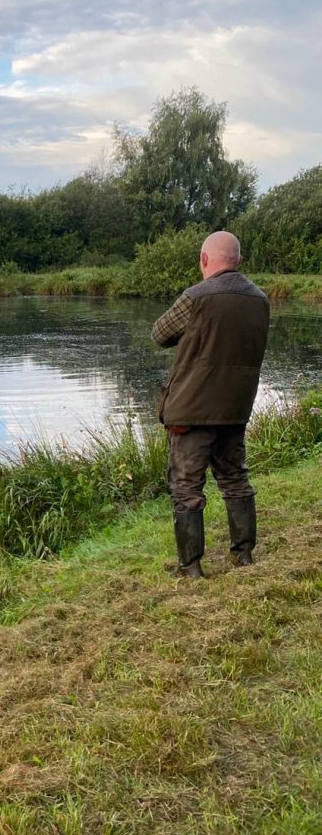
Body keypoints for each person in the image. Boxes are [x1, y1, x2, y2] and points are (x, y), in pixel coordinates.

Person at [152, 230, 270, 578]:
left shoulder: (196, 297)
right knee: (235, 478)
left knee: (186, 486)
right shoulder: (260, 299)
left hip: (192, 409)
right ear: (239, 261)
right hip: (234, 407)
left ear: (204, 260)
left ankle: (190, 567)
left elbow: (160, 334)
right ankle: (243, 555)